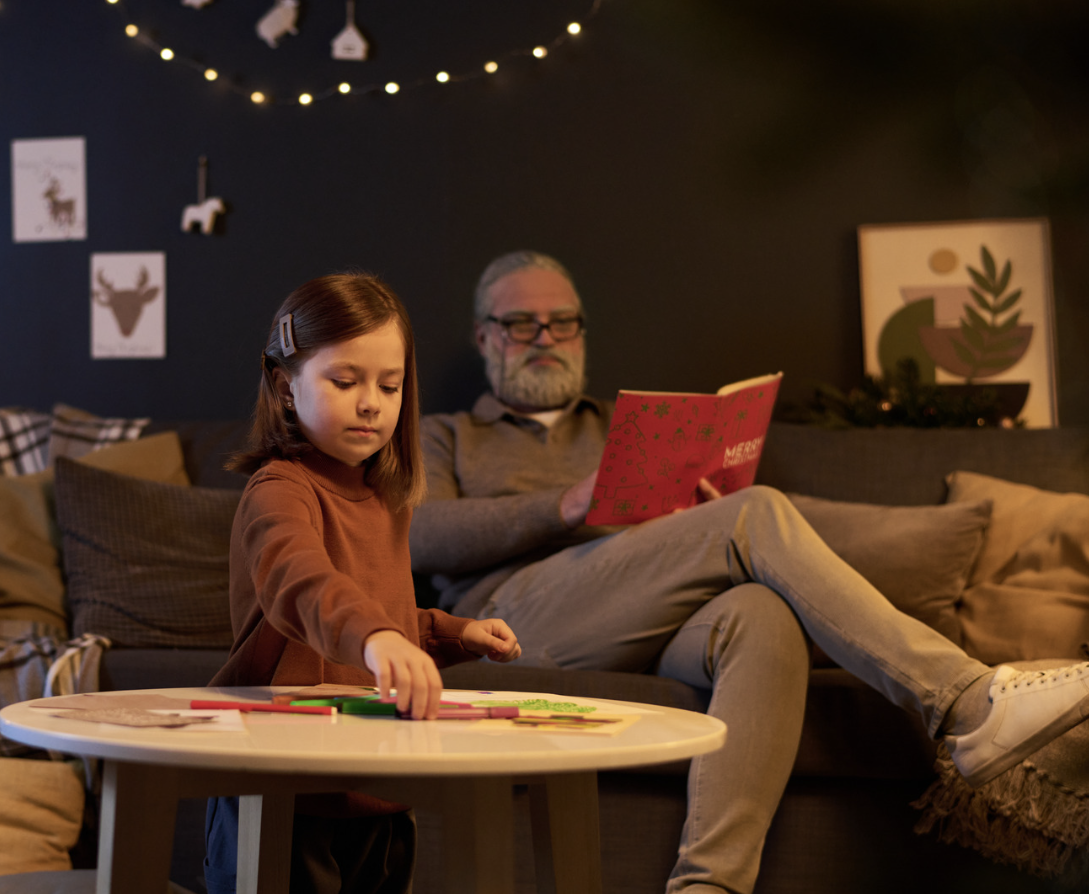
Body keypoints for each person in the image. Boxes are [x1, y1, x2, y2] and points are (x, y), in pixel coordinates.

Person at [409, 249, 1089, 894]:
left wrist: (686, 521)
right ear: (483, 336)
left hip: (642, 615)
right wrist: (565, 506)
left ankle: (709, 885)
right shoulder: (447, 434)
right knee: (754, 511)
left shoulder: (630, 425)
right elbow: (418, 534)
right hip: (510, 624)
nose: (545, 336)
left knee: (762, 615)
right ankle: (967, 700)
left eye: (562, 322)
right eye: (522, 323)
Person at [204, 273, 523, 894]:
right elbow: (300, 583)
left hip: (374, 786)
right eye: (344, 381)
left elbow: (386, 624)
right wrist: (377, 636)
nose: (371, 402)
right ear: (285, 385)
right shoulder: (279, 488)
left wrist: (456, 634)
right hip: (282, 789)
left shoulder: (386, 497)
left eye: (390, 384)